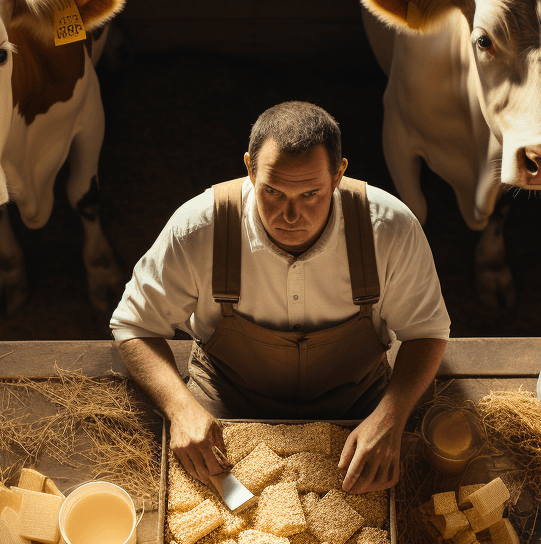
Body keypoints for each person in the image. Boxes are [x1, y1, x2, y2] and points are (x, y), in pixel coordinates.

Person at [111, 101, 449, 494]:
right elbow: (133, 324)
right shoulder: (199, 227)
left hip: (357, 406)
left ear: (339, 175)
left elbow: (427, 331)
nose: (290, 215)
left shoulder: (390, 229)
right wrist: (180, 408)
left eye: (310, 194)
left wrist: (391, 415)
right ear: (250, 169)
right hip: (225, 405)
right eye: (272, 191)